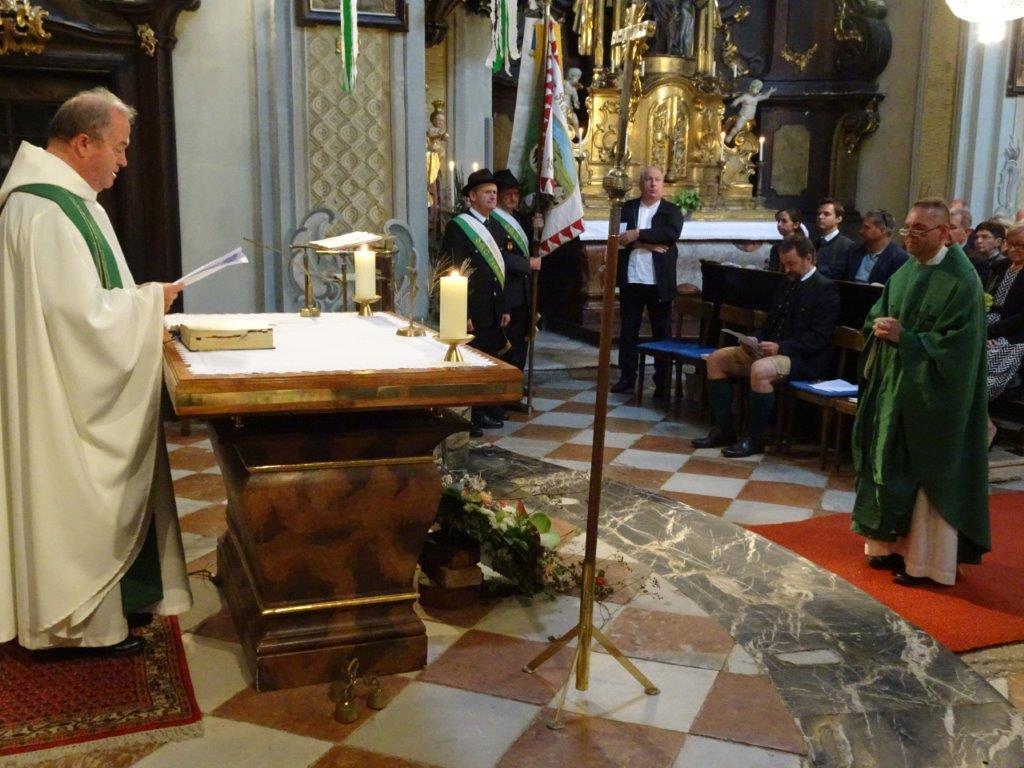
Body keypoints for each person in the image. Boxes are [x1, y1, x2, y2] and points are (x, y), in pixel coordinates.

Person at [0, 87, 192, 655]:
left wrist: (140, 302)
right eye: (119, 147)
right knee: (73, 496)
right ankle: (79, 625)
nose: (124, 161)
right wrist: (150, 301)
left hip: (63, 385)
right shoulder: (45, 211)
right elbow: (79, 322)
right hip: (59, 401)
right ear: (84, 143)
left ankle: (118, 603)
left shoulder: (68, 203)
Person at [851, 199, 990, 587]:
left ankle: (927, 563)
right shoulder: (906, 271)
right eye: (907, 228)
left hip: (933, 397)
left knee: (926, 471)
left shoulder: (962, 280)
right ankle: (887, 545)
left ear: (944, 233)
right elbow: (876, 314)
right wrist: (878, 326)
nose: (909, 236)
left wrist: (907, 339)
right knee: (888, 463)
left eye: (918, 230)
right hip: (895, 389)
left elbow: (959, 348)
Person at [693, 234, 840, 458]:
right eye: (784, 264)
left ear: (809, 258)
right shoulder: (786, 283)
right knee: (717, 359)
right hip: (772, 350)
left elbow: (819, 338)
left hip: (803, 359)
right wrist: (754, 340)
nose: (787, 269)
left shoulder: (825, 288)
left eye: (791, 264)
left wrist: (781, 347)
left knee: (760, 370)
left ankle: (754, 439)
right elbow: (770, 323)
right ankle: (724, 429)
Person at [441, 168, 510, 436]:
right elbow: (452, 268)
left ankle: (483, 410)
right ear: (472, 196)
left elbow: (500, 270)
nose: (493, 196)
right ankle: (470, 418)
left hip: (492, 308)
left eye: (494, 192)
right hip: (471, 307)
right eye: (487, 192)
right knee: (471, 362)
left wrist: (503, 306)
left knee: (487, 360)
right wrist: (462, 312)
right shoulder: (459, 227)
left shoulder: (495, 225)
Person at [611, 166, 684, 397]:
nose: (653, 184)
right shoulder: (628, 208)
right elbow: (620, 237)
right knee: (628, 330)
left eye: (657, 180)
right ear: (641, 183)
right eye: (648, 179)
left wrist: (638, 234)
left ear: (663, 184)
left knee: (661, 332)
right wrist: (645, 244)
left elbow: (670, 235)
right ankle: (627, 377)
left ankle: (662, 381)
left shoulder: (671, 211)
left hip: (658, 282)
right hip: (632, 279)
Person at [492, 169, 542, 379]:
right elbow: (497, 255)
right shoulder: (492, 221)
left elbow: (530, 245)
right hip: (506, 293)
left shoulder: (520, 219)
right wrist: (526, 263)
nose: (513, 198)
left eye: (516, 194)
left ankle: (517, 387)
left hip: (524, 293)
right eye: (508, 194)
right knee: (508, 348)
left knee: (521, 345)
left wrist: (538, 228)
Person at [985, 223, 1024, 405]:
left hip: (1014, 331)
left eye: (1020, 245)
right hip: (988, 323)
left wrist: (992, 332)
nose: (1013, 249)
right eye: (1011, 243)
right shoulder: (999, 266)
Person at [842, 209, 909, 284]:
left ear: (882, 230)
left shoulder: (899, 258)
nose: (861, 231)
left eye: (866, 227)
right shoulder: (854, 251)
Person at [813, 198, 855, 280]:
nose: (820, 217)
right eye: (819, 214)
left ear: (838, 219)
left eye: (826, 214)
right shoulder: (814, 243)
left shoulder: (847, 245)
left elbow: (840, 274)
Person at [725, 79, 776, 144]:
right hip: (743, 116)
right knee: (737, 127)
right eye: (756, 89)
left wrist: (770, 91)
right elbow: (738, 99)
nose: (757, 91)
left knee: (750, 130)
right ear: (751, 88)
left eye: (758, 90)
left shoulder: (757, 97)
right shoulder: (746, 96)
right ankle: (729, 136)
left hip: (751, 118)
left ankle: (746, 141)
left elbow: (765, 96)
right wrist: (735, 103)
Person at [766, 207, 803, 272]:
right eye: (778, 221)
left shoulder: (801, 246)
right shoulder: (776, 248)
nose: (779, 224)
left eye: (784, 221)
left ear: (796, 225)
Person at [971, 220, 1007, 285]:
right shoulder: (970, 260)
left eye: (984, 237)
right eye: (976, 237)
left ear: (998, 242)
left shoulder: (1005, 264)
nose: (979, 241)